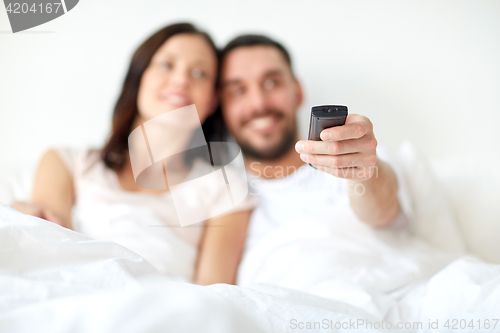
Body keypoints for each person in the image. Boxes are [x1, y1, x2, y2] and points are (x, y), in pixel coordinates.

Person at [10, 23, 252, 286]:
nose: (182, 80)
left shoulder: (226, 188)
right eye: (166, 65)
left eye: (199, 72)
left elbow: (215, 295)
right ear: (139, 79)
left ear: (212, 100)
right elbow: (51, 257)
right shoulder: (68, 163)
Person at [216, 34, 450, 295]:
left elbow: (383, 213)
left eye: (272, 83)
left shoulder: (361, 152)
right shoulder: (225, 198)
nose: (259, 103)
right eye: (238, 90)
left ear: (298, 92)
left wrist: (363, 172)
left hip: (416, 294)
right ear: (221, 106)